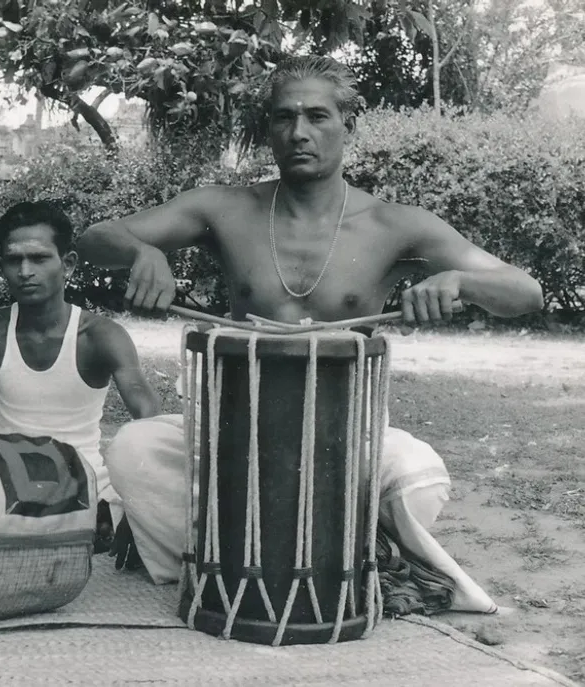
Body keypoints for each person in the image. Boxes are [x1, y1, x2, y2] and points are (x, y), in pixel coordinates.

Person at [75, 56, 544, 615]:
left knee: (417, 474)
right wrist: (140, 251)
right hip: (235, 432)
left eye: (318, 116)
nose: (299, 132)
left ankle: (332, 549)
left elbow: (526, 292)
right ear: (268, 128)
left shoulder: (394, 224)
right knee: (135, 448)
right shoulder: (224, 207)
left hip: (345, 436)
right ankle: (244, 558)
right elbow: (94, 237)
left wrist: (461, 281)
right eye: (284, 117)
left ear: (349, 125)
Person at [0, 201, 163, 541]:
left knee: (141, 443)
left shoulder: (100, 335)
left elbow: (147, 417)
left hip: (84, 482)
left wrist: (143, 505)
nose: (25, 271)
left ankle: (88, 520)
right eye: (14, 260)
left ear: (68, 264)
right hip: (10, 479)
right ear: (1, 266)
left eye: (38, 258)